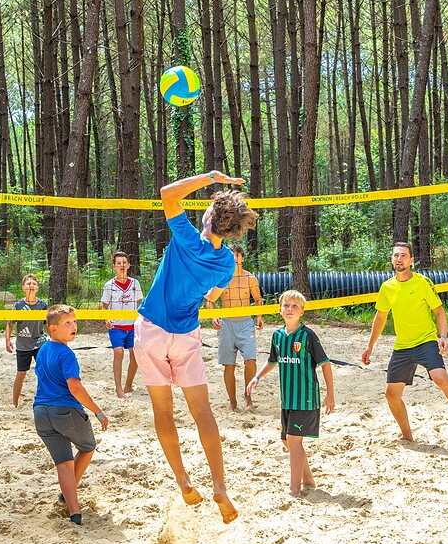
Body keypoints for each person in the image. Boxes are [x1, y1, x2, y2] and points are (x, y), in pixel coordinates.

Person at [134, 170, 258, 524]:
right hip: (187, 333)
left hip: (153, 329)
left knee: (163, 412)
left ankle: (184, 482)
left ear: (207, 217)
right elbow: (212, 297)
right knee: (203, 413)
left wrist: (210, 177)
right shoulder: (224, 265)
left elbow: (166, 192)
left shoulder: (186, 237)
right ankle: (219, 486)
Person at [360, 241, 448, 442]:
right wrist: (370, 346)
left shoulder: (423, 282)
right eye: (396, 255)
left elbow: (439, 312)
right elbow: (380, 318)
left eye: (403, 255)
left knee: (440, 378)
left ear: (411, 260)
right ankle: (407, 436)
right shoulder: (387, 287)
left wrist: (443, 337)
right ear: (392, 259)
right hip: (403, 346)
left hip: (426, 341)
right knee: (391, 394)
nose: (399, 259)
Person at [246, 291, 335, 496]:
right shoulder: (278, 336)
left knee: (294, 441)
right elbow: (272, 361)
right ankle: (308, 479)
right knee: (287, 440)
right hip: (287, 398)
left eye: (295, 306)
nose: (290, 309)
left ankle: (294, 490)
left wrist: (330, 394)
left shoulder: (308, 336)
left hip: (305, 398)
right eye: (286, 305)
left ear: (302, 311)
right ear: (279, 309)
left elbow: (325, 364)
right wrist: (257, 377)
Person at [33, 304, 108, 525]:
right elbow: (75, 388)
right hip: (64, 411)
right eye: (68, 323)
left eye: (74, 321)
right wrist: (98, 411)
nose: (74, 326)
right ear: (53, 329)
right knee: (88, 447)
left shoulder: (43, 349)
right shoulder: (66, 354)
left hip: (40, 413)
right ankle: (68, 497)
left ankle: (74, 514)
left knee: (64, 464)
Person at [208, 244, 265, 410]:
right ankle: (232, 402)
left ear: (242, 258)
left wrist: (259, 316)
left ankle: (247, 396)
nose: (232, 259)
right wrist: (214, 317)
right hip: (226, 324)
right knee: (229, 365)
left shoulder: (250, 278)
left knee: (251, 361)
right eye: (229, 256)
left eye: (235, 256)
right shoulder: (221, 278)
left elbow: (258, 299)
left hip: (246, 323)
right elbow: (210, 300)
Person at [100, 252, 144, 398]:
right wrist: (107, 319)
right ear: (114, 267)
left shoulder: (135, 283)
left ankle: (128, 385)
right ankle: (118, 388)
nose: (122, 265)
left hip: (132, 325)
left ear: (129, 265)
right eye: (119, 263)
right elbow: (104, 306)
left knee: (135, 355)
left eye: (124, 262)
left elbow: (139, 304)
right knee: (118, 352)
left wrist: (140, 320)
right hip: (116, 326)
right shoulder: (109, 285)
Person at [6, 274, 48, 407]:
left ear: (38, 288)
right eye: (28, 284)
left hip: (40, 342)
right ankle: (14, 403)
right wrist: (7, 339)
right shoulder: (18, 305)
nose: (31, 286)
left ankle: (45, 399)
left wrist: (55, 337)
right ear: (23, 287)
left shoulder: (42, 304)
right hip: (23, 344)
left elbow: (47, 323)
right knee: (21, 373)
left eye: (34, 284)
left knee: (44, 371)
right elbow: (10, 323)